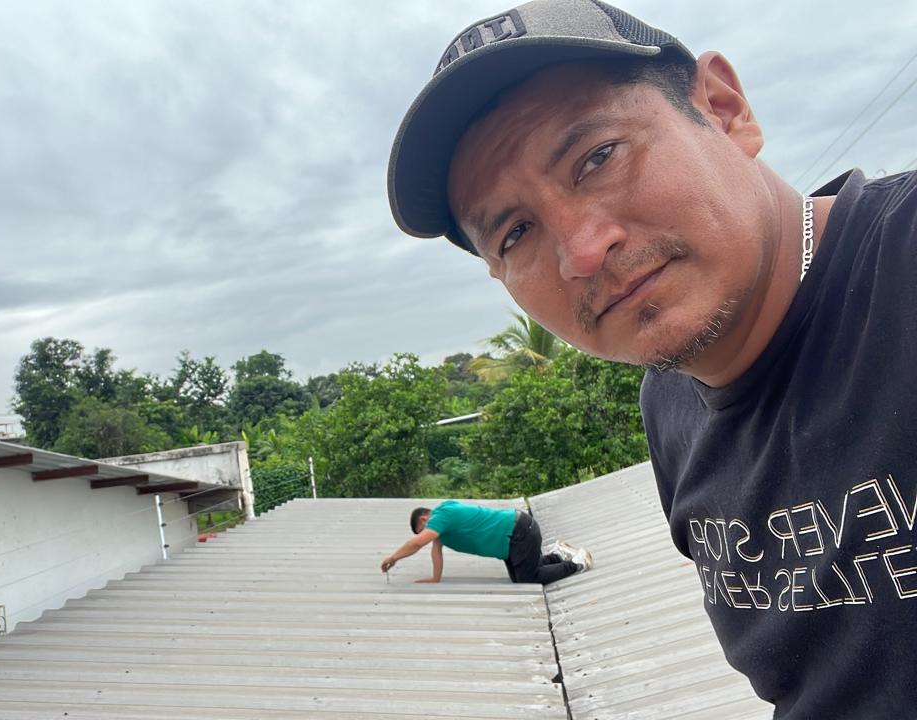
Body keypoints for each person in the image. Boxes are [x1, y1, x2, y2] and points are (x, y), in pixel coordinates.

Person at [385, 0, 917, 717]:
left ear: (724, 109)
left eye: (597, 157)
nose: (580, 252)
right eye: (514, 233)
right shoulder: (669, 404)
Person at [380, 500, 592, 584]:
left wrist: (393, 558)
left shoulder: (441, 515)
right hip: (516, 537)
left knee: (529, 578)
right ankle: (558, 554)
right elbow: (436, 552)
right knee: (519, 576)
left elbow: (417, 543)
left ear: (424, 519)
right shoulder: (442, 526)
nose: (426, 536)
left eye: (423, 530)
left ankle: (577, 563)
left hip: (520, 532)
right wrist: (435, 579)